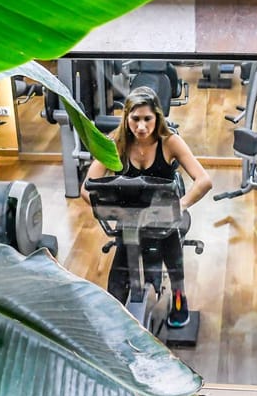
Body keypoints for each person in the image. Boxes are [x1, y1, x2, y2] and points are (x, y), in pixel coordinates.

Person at [82, 86, 212, 327]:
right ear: (126, 118)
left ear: (157, 118)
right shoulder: (116, 143)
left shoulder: (170, 142)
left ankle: (179, 300)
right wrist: (113, 210)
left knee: (173, 258)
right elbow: (86, 188)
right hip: (130, 217)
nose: (141, 126)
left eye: (147, 119)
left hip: (164, 217)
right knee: (118, 274)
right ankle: (115, 317)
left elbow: (204, 180)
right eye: (135, 119)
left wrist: (181, 205)